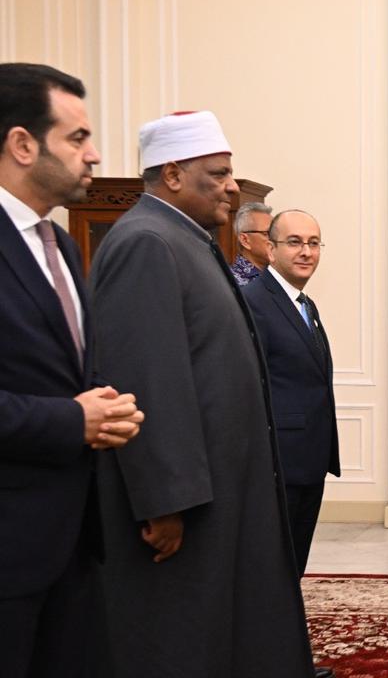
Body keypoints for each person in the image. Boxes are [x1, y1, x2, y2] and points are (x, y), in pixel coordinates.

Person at [90, 111, 315, 677]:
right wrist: (164, 502)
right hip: (185, 508)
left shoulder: (183, 239)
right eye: (218, 173)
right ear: (171, 174)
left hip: (219, 493)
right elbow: (146, 381)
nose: (233, 186)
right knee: (181, 636)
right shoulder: (146, 242)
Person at [0, 62, 143, 678]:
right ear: (23, 144)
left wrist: (103, 411)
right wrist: (71, 420)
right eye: (78, 138)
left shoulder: (56, 243)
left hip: (72, 545)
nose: (95, 155)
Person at [242, 209, 339, 575]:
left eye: (314, 243)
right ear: (270, 249)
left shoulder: (303, 303)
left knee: (292, 564)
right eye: (295, 242)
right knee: (271, 567)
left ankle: (284, 629)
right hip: (277, 461)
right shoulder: (254, 301)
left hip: (309, 458)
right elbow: (249, 385)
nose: (306, 252)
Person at [230, 200, 272, 285]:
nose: (276, 239)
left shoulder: (279, 277)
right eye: (268, 234)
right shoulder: (230, 281)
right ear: (245, 240)